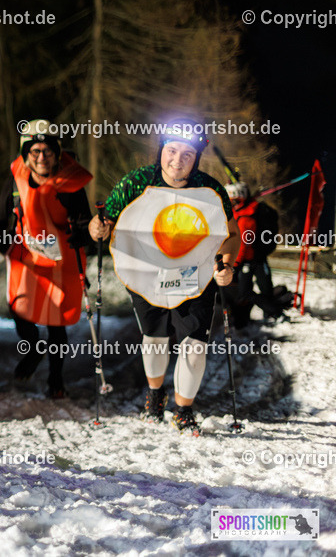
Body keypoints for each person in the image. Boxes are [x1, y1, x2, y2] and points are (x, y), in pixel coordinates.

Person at [89, 120, 237, 436]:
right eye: (171, 150)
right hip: (147, 273)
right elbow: (101, 222)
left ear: (197, 156)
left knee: (195, 345)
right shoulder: (136, 181)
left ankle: (184, 411)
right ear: (162, 150)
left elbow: (232, 234)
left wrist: (226, 264)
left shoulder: (211, 189)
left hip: (196, 275)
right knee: (155, 339)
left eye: (187, 153)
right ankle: (156, 396)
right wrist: (97, 228)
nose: (177, 160)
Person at [0, 120, 92, 398]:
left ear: (57, 153)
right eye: (35, 151)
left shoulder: (71, 182)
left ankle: (56, 380)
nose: (42, 158)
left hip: (61, 259)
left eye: (48, 151)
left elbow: (85, 222)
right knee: (19, 309)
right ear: (26, 154)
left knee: (57, 321)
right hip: (25, 255)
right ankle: (32, 350)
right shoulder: (16, 179)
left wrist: (83, 235)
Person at [223, 182, 288, 327]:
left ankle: (275, 313)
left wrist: (235, 264)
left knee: (251, 291)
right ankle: (273, 313)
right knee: (249, 291)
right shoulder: (241, 213)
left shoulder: (246, 217)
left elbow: (242, 244)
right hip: (252, 260)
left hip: (250, 260)